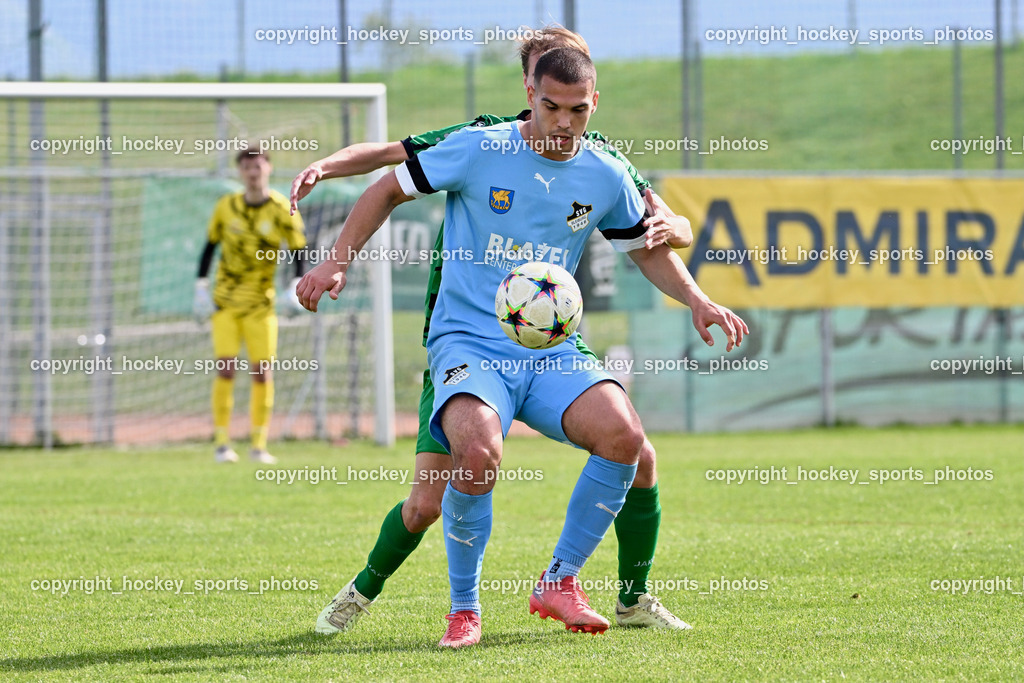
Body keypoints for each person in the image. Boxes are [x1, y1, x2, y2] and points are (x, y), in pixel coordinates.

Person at [296, 47, 747, 648]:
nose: (564, 122)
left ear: (595, 104)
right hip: (468, 344)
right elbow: (386, 186)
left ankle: (563, 581)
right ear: (530, 94)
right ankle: (462, 611)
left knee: (627, 439)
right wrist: (335, 261)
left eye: (577, 110)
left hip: (551, 351)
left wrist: (696, 299)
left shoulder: (605, 171)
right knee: (463, 468)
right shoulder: (480, 146)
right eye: (551, 106)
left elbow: (647, 247)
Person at [194, 147, 307, 464]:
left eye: (257, 166)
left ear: (268, 168)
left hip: (261, 305)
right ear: (239, 172)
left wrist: (295, 285)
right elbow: (210, 247)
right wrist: (200, 287)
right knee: (225, 369)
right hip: (226, 304)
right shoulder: (226, 206)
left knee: (262, 373)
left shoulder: (282, 207)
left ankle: (259, 445)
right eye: (246, 167)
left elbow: (299, 249)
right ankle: (221, 443)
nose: (252, 173)